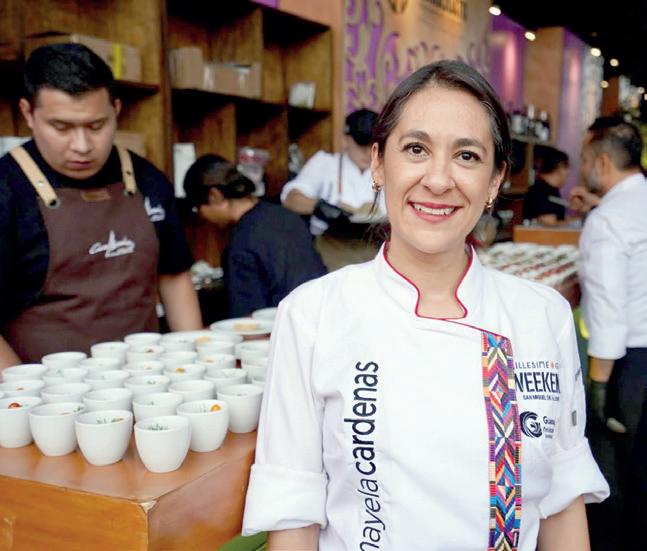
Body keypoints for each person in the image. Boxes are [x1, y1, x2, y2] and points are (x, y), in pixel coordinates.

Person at [243, 60, 608, 550]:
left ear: (495, 180)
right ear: (379, 163)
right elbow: (294, 518)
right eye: (416, 149)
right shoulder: (312, 315)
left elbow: (561, 505)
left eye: (467, 156)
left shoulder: (542, 316)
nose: (438, 180)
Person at [0, 44, 202, 368]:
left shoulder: (148, 180)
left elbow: (174, 277)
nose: (82, 146)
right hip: (45, 390)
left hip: (146, 378)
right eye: (61, 127)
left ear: (116, 110)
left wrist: (195, 364)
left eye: (96, 126)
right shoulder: (7, 190)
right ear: (28, 114)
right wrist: (22, 391)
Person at [577, 116, 647, 548]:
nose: (583, 168)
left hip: (630, 363)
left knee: (614, 473)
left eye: (585, 160)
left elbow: (607, 313)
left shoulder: (608, 221)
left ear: (602, 163)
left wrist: (598, 388)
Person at [183, 154, 327, 318]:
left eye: (197, 209)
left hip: (280, 328)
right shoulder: (287, 216)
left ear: (214, 196)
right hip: (320, 317)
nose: (202, 217)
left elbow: (247, 321)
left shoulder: (240, 243)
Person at [281, 108, 387, 271]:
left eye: (373, 146)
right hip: (331, 253)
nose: (368, 152)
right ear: (345, 139)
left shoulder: (388, 171)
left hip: (375, 254)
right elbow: (291, 198)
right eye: (361, 144)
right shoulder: (325, 163)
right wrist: (319, 207)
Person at [522, 146, 570, 224]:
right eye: (567, 167)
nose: (568, 173)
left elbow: (559, 218)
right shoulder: (539, 191)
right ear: (560, 167)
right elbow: (549, 222)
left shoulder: (553, 190)